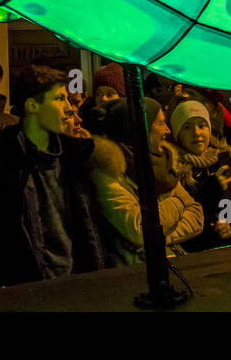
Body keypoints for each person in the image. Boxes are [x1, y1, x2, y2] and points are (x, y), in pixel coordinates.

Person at [0, 65, 109, 285]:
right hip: (31, 287)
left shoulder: (75, 157)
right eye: (59, 99)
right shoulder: (2, 167)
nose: (68, 109)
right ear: (32, 105)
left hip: (79, 282)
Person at [87, 97, 203, 262]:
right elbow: (139, 229)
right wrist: (178, 204)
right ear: (141, 129)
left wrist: (155, 240)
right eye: (161, 124)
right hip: (134, 272)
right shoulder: (108, 173)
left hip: (171, 261)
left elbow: (197, 216)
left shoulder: (163, 167)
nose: (168, 131)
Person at [168, 99, 231, 249]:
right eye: (187, 127)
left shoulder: (223, 165)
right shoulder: (174, 172)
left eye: (202, 125)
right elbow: (184, 223)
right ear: (177, 134)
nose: (196, 133)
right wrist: (213, 187)